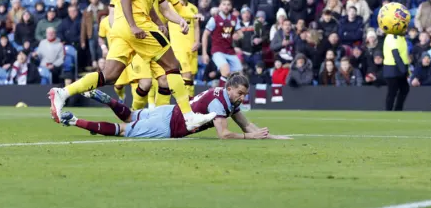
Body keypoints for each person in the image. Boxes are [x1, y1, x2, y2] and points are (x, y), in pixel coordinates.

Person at [49, 0, 215, 132]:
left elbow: (161, 7)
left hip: (124, 30)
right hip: (137, 26)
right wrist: (134, 26)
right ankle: (188, 117)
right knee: (172, 66)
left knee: (109, 75)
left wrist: (180, 21)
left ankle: (63, 92)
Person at [61, 73, 290, 140]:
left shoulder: (225, 98)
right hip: (169, 126)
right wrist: (251, 138)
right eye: (240, 93)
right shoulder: (220, 102)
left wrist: (271, 136)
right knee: (123, 130)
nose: (241, 98)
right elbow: (225, 134)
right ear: (230, 89)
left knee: (130, 115)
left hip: (171, 110)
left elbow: (246, 125)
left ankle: (107, 99)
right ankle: (73, 120)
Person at [201, 0, 243, 87]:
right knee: (226, 70)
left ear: (231, 7)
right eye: (224, 4)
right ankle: (220, 95)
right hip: (217, 50)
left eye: (228, 5)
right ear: (220, 6)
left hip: (230, 50)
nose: (226, 7)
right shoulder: (214, 19)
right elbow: (205, 35)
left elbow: (241, 34)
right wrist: (204, 53)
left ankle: (233, 98)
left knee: (239, 75)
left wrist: (238, 36)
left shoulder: (235, 19)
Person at [168, 0, 200, 98]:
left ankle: (190, 102)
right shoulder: (171, 7)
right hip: (178, 47)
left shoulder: (193, 8)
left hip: (192, 46)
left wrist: (197, 41)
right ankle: (186, 105)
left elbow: (196, 27)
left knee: (191, 76)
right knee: (186, 74)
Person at [382, 31, 410, 111]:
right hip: (392, 68)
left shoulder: (400, 37)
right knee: (392, 91)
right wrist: (403, 69)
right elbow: (395, 54)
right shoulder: (392, 37)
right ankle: (390, 110)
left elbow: (403, 54)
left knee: (403, 89)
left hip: (398, 68)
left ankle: (397, 109)